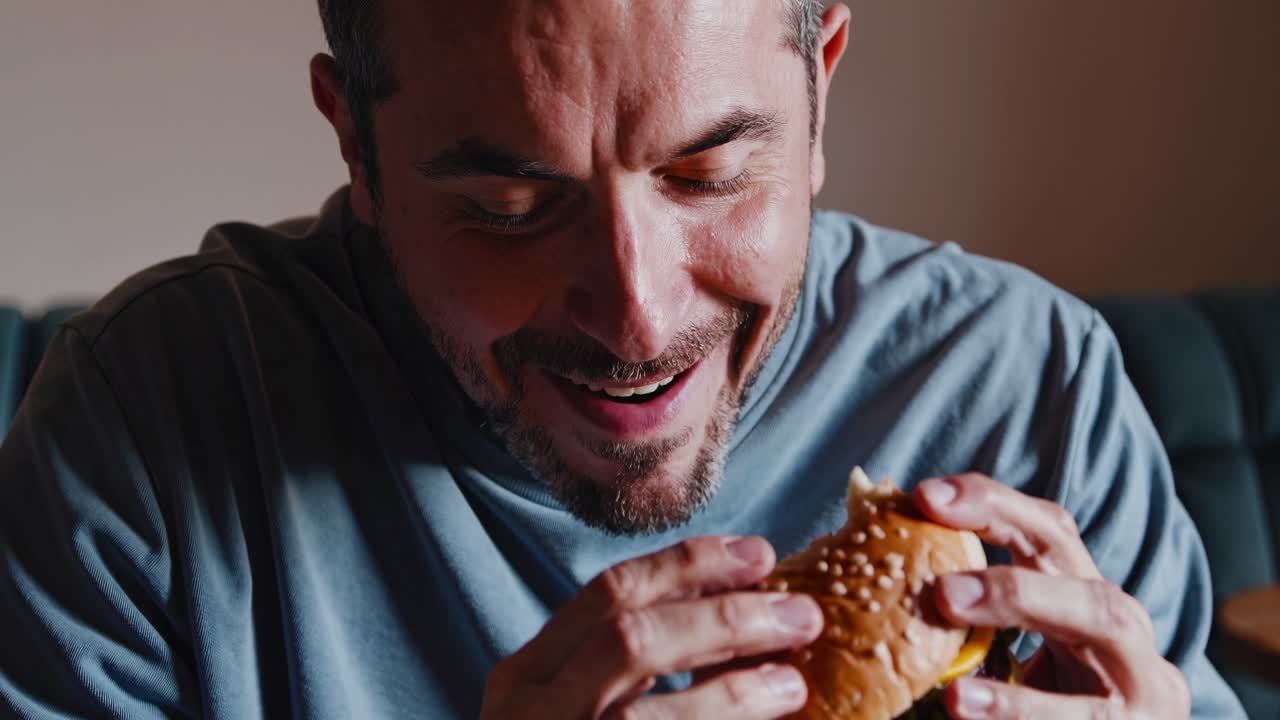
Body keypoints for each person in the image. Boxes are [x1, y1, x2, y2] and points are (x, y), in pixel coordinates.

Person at [0, 1, 1245, 718]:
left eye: (709, 173)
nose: (640, 321)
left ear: (819, 93)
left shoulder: (1026, 384)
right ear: (356, 148)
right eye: (506, 202)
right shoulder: (143, 431)